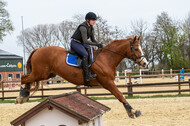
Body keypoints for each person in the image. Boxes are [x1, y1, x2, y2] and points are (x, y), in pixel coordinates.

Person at [71, 12, 103, 86]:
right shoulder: (83, 27)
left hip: (81, 43)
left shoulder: (91, 28)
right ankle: (87, 75)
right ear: (87, 20)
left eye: (95, 20)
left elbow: (93, 40)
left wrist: (99, 44)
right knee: (85, 54)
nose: (94, 21)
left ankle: (91, 70)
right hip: (75, 43)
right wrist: (96, 44)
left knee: (91, 51)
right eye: (92, 20)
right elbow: (85, 40)